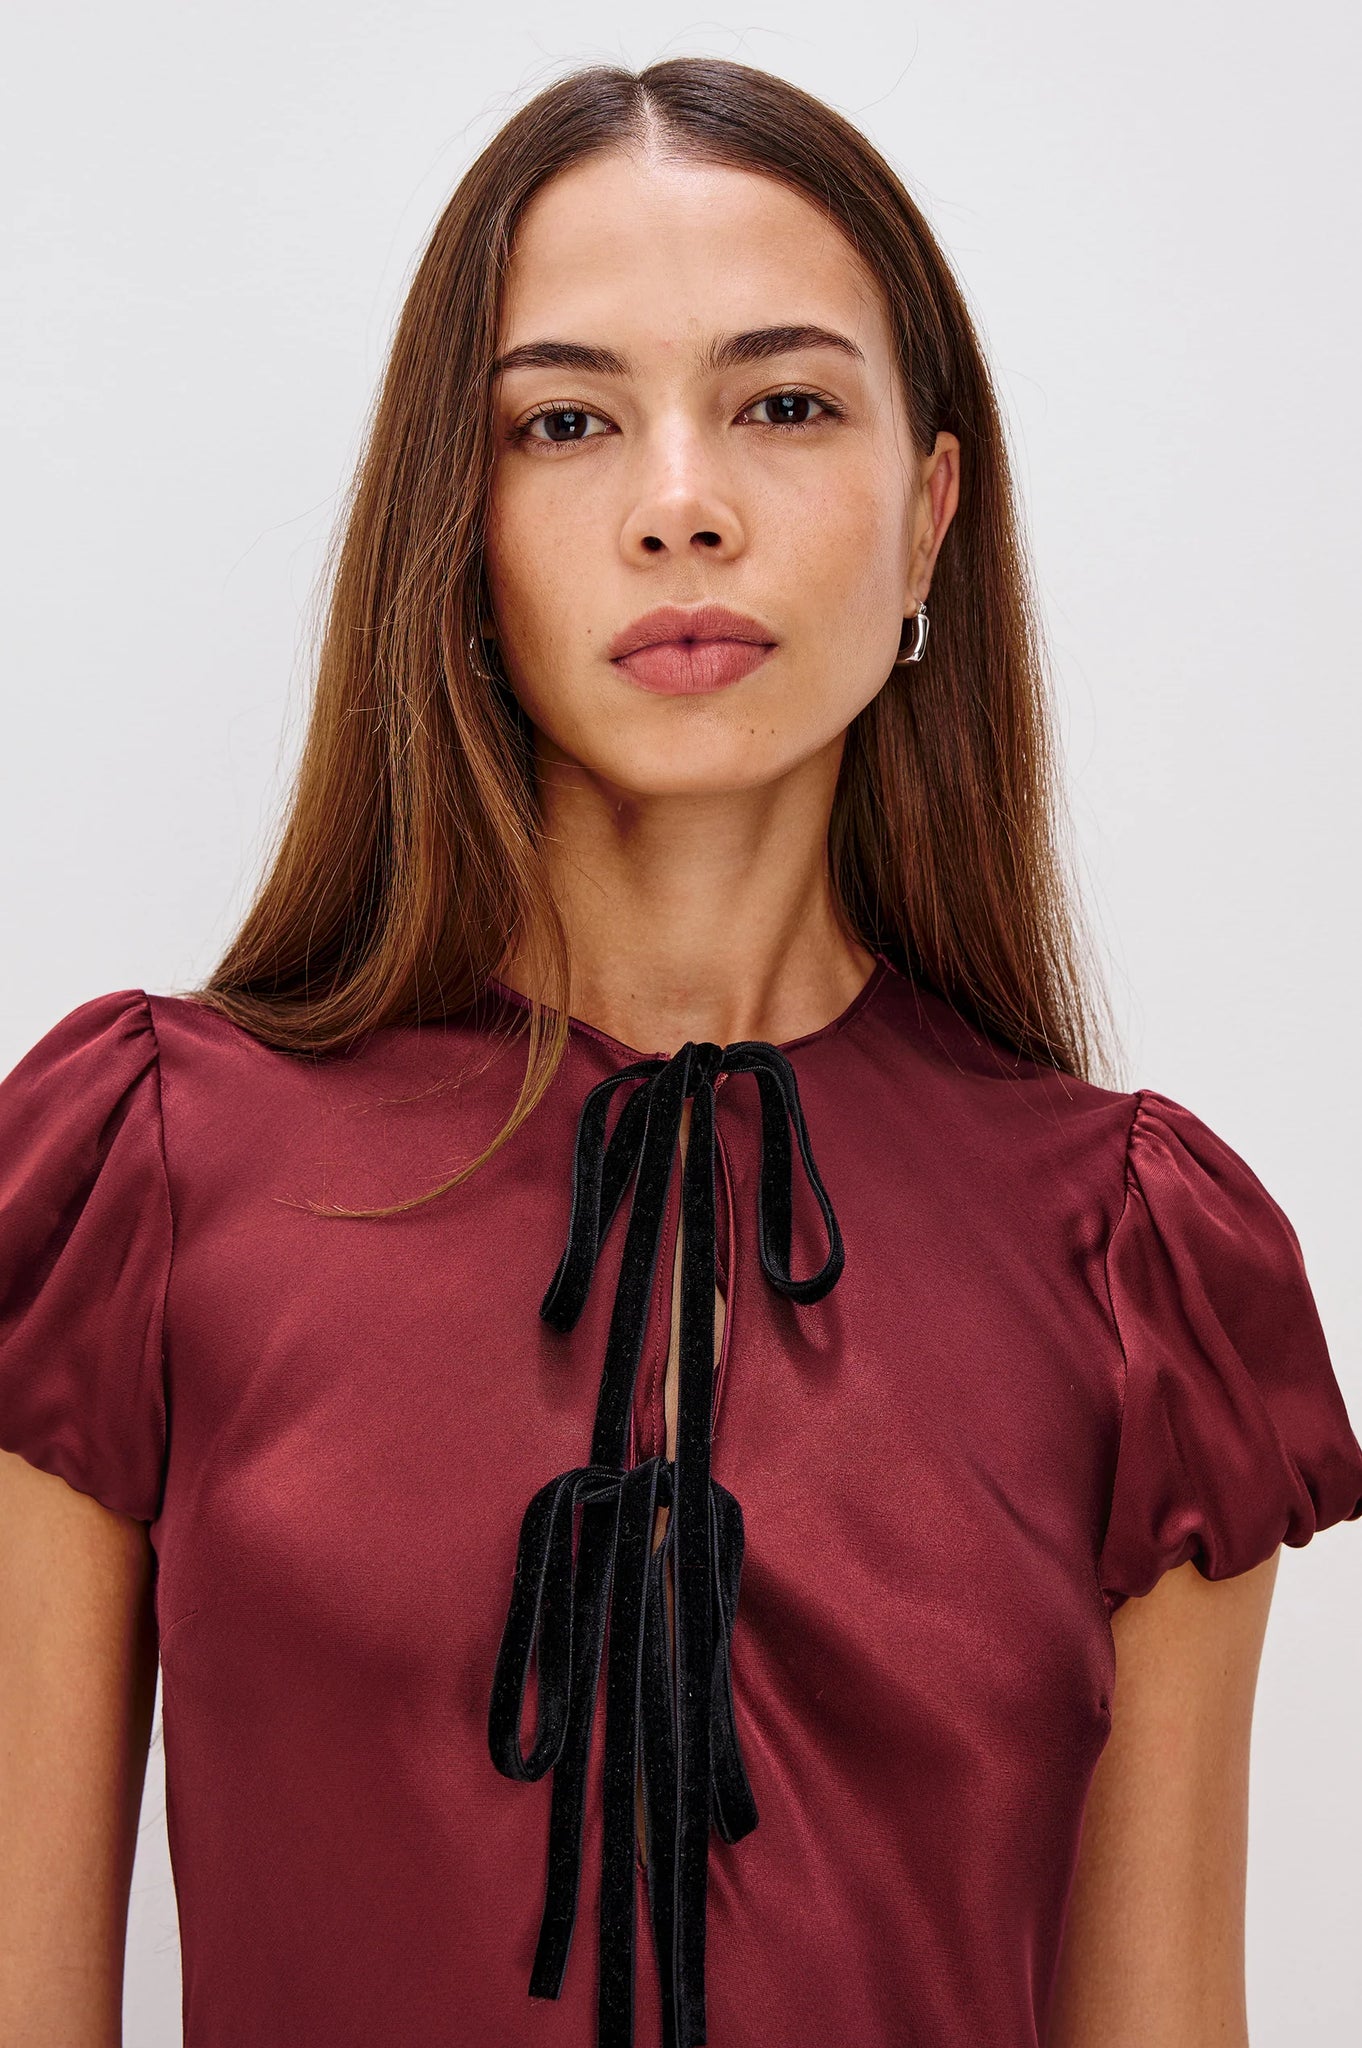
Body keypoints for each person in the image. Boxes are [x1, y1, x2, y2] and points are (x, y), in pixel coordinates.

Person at [1, 54, 1359, 2048]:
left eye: (784, 404)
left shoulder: (1140, 1269)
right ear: (452, 526)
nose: (679, 504)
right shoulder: (144, 1175)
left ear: (929, 520)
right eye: (564, 421)